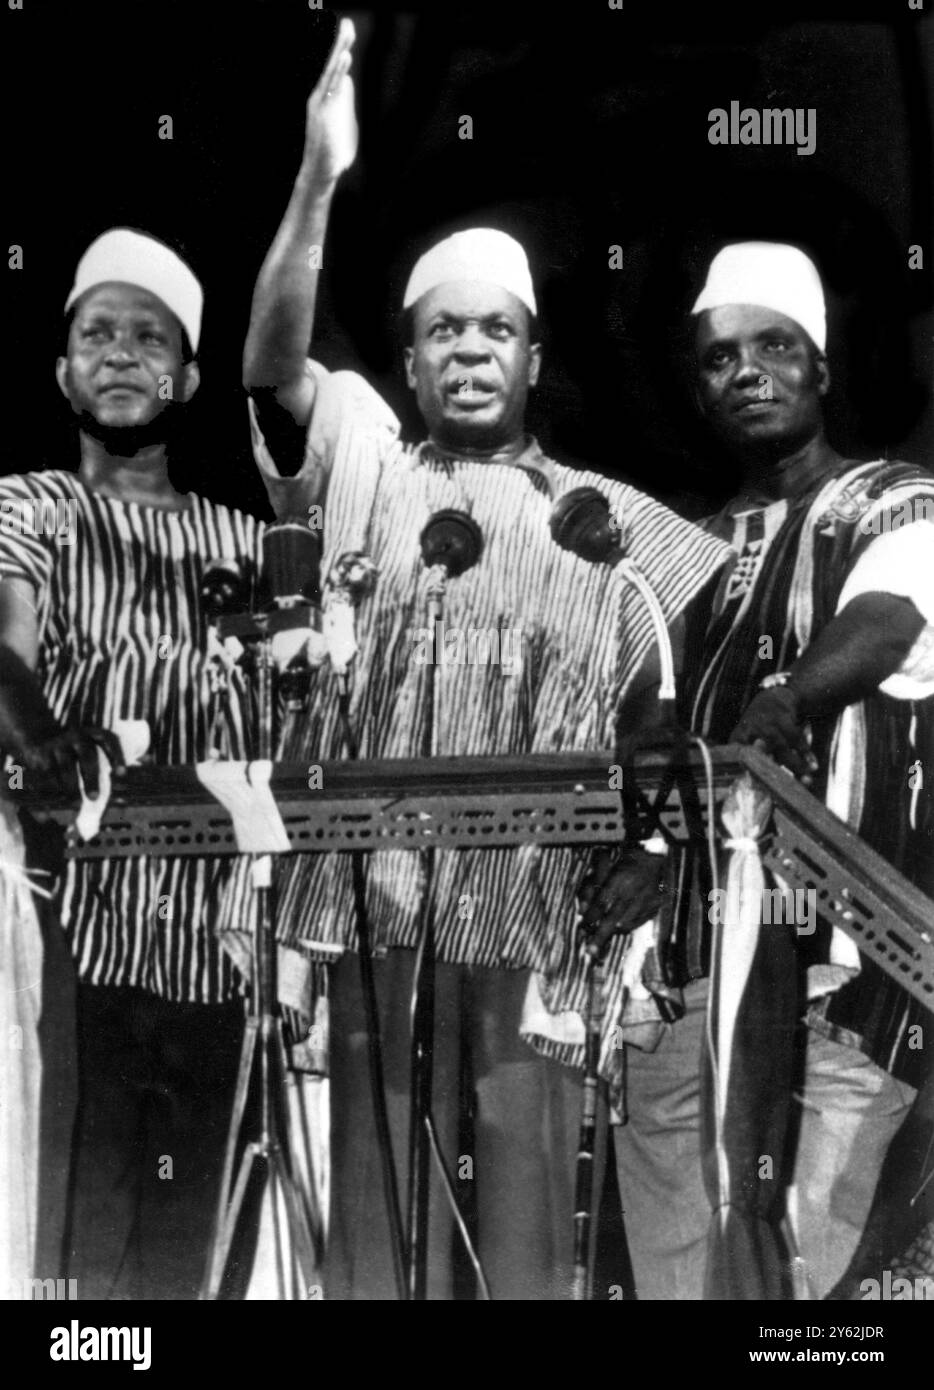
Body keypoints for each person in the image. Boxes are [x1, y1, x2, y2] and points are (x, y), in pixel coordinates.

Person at [224, 19, 729, 1300]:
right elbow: (271, 362)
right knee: (377, 1233)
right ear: (405, 358)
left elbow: (666, 713)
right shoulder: (370, 467)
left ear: (533, 356)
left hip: (542, 917)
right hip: (380, 900)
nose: (466, 351)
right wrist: (319, 177)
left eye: (493, 332)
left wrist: (653, 850)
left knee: (515, 1244)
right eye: (442, 332)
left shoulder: (604, 519)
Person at [587, 240, 934, 1300]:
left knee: (793, 1277)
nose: (747, 370)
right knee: (677, 1267)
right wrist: (643, 840)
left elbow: (884, 620)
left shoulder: (895, 502)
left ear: (820, 367)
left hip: (842, 972)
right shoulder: (680, 551)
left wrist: (784, 702)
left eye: (774, 346)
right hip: (684, 965)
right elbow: (645, 723)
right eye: (720, 356)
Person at [0, 228, 263, 1299]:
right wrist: (39, 737)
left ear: (188, 376)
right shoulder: (25, 507)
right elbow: (4, 652)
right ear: (63, 369)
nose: (117, 354)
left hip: (216, 940)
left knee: (188, 1237)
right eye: (94, 334)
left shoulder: (247, 545)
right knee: (76, 1220)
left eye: (146, 336)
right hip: (78, 925)